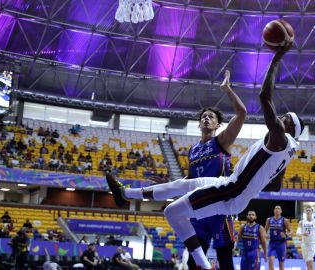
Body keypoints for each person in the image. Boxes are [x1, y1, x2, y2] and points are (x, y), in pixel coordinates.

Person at [106, 42, 304, 269]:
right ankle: (125, 193)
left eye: (285, 118)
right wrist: (251, 182)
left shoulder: (278, 137)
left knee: (172, 212)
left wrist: (277, 57)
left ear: (289, 129)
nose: (280, 119)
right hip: (230, 185)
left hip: (230, 192)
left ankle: (206, 265)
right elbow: (275, 187)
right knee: (183, 184)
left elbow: (264, 97)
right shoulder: (285, 152)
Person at [184, 70, 246, 270]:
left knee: (225, 260)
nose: (206, 119)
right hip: (199, 210)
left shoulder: (222, 141)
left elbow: (242, 113)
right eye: (203, 117)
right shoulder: (192, 150)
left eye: (210, 117)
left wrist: (227, 89)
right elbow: (190, 179)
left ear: (218, 124)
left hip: (220, 208)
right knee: (193, 262)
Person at [265, 206, 293, 270]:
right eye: (275, 208)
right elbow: (264, 230)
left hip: (281, 243)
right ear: (274, 210)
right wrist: (266, 235)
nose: (277, 209)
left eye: (278, 209)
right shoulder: (269, 219)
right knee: (270, 261)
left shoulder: (284, 220)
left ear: (281, 211)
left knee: (281, 264)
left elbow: (291, 231)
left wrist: (286, 235)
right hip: (272, 243)